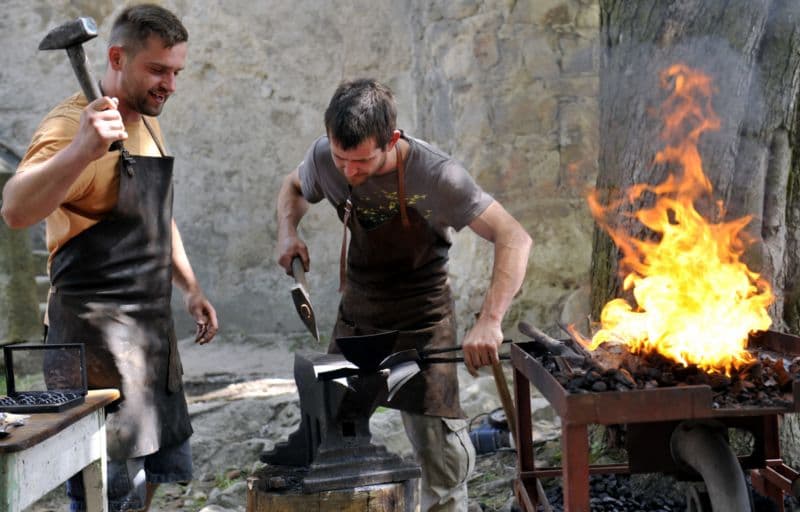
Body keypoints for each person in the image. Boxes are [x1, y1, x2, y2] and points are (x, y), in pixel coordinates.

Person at [276, 78, 532, 512]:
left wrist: (489, 320)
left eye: (361, 162)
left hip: (423, 321)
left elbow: (514, 236)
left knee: (441, 458)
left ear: (391, 140)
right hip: (361, 313)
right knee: (330, 435)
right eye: (341, 159)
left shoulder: (436, 175)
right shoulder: (325, 157)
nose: (348, 172)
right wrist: (287, 232)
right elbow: (296, 188)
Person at [1, 4, 218, 511]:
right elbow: (14, 208)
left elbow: (154, 213)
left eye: (176, 72)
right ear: (116, 57)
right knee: (104, 495)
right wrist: (81, 148)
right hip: (94, 349)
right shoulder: (68, 126)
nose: (170, 84)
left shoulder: (142, 115)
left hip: (149, 341)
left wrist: (190, 288)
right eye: (158, 70)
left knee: (145, 489)